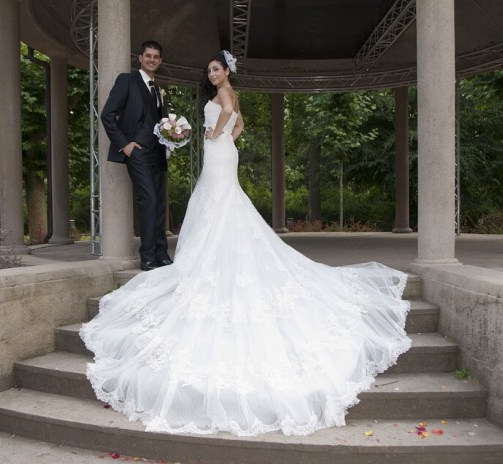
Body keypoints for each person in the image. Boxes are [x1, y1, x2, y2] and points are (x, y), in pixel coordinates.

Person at [81, 51, 411, 437]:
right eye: (209, 70)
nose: (212, 73)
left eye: (216, 69)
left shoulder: (225, 95)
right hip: (224, 154)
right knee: (219, 203)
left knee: (218, 201)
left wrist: (215, 133)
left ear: (225, 72)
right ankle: (212, 251)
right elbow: (241, 125)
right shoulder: (232, 94)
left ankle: (208, 255)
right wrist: (224, 136)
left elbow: (228, 120)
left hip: (220, 154)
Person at [101, 40, 172, 271]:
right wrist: (125, 145)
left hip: (158, 154)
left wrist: (172, 138)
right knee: (148, 200)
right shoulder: (127, 81)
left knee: (160, 204)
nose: (152, 60)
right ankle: (148, 257)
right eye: (148, 55)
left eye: (156, 57)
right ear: (140, 58)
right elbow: (107, 115)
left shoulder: (157, 88)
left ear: (160, 61)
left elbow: (158, 122)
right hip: (138, 152)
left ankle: (162, 254)